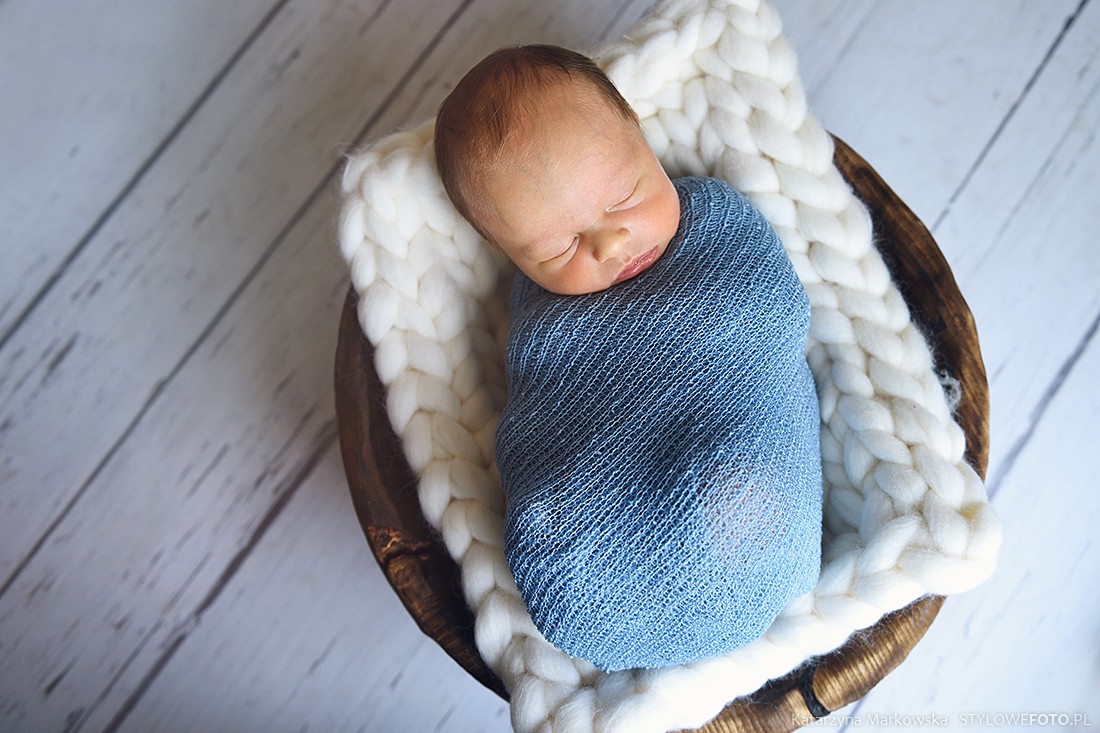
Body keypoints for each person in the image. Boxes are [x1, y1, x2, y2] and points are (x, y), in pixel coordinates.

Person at [434, 44, 823, 671]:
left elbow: (764, 307)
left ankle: (738, 538)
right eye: (557, 247)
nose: (610, 244)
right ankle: (606, 582)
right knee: (563, 524)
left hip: (740, 483)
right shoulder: (542, 316)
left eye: (623, 196)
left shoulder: (715, 226)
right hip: (608, 496)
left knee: (729, 480)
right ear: (511, 254)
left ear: (637, 133)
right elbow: (546, 405)